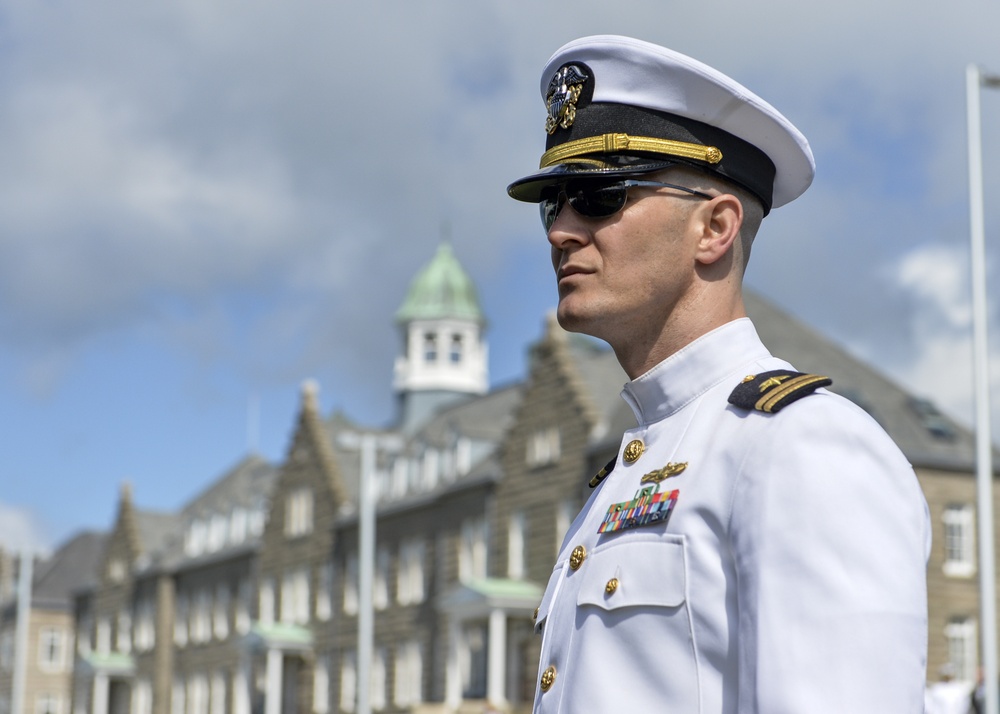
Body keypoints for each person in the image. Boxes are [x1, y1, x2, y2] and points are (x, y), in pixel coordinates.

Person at [507, 35, 929, 712]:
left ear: (715, 228)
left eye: (599, 195)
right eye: (553, 203)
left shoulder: (799, 446)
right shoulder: (621, 476)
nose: (562, 230)